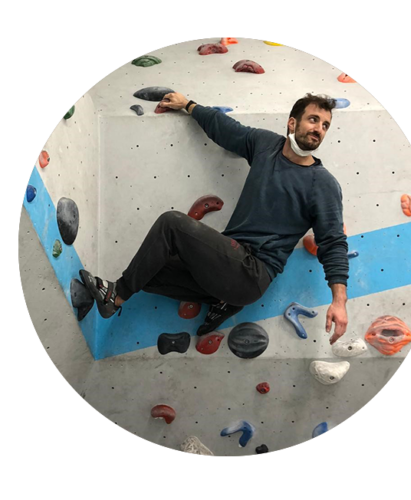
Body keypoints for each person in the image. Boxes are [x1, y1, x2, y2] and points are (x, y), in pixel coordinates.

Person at [80, 92, 349, 345]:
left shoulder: (323, 184)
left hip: (253, 272)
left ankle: (115, 296)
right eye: (313, 119)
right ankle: (222, 302)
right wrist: (189, 105)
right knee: (149, 272)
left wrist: (339, 301)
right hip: (227, 266)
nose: (319, 129)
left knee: (171, 224)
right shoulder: (267, 146)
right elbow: (226, 129)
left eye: (325, 125)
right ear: (292, 123)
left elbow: (333, 243)